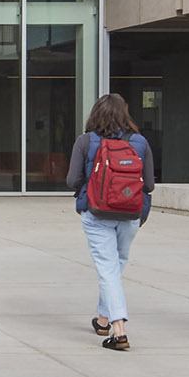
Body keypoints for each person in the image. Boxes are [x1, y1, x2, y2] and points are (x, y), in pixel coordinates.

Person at [66, 92, 155, 349]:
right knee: (116, 265)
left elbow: (72, 180)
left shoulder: (85, 142)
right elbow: (148, 184)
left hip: (97, 213)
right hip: (130, 214)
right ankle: (103, 319)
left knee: (107, 268)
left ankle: (118, 329)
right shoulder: (139, 142)